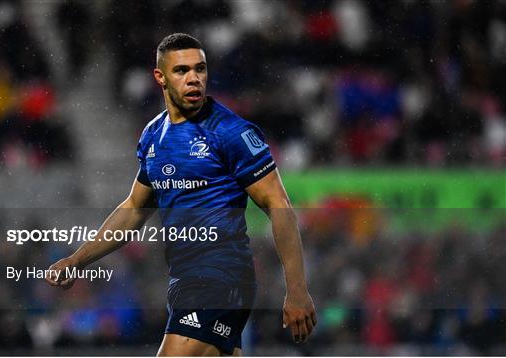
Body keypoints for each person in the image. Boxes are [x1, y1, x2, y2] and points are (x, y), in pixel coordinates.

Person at [46, 33, 316, 356]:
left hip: (221, 277)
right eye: (182, 71)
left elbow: (279, 204)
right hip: (184, 282)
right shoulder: (152, 136)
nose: (194, 79)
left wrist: (297, 290)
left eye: (200, 69)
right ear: (160, 77)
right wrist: (77, 259)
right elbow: (134, 208)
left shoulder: (231, 133)